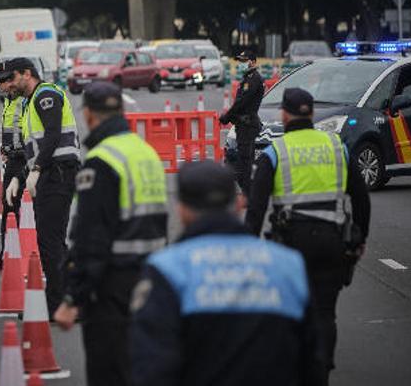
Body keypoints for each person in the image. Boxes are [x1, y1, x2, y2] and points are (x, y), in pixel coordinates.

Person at [130, 160, 326, 386]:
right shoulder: (288, 265)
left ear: (181, 209)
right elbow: (312, 365)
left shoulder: (166, 270)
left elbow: (151, 369)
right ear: (238, 204)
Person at [244, 87, 370, 380]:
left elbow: (256, 209)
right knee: (325, 312)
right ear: (311, 114)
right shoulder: (337, 146)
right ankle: (321, 368)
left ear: (284, 115)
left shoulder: (274, 152)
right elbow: (361, 197)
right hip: (332, 242)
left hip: (290, 247)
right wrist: (359, 238)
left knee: (291, 312)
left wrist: (247, 251)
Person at [53, 82, 168, 386]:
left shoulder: (102, 161)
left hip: (112, 285)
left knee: (109, 370)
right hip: (151, 280)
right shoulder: (146, 153)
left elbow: (92, 237)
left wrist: (72, 297)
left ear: (89, 114)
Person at [0, 57, 80, 315]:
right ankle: (65, 299)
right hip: (49, 173)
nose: (8, 85)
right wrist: (20, 177)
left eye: (11, 78)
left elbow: (53, 135)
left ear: (27, 73)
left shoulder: (46, 95)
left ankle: (56, 303)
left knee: (50, 242)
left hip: (57, 174)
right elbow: (36, 147)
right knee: (53, 242)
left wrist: (36, 170)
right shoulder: (29, 102)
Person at [0, 61, 27, 272]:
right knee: (10, 208)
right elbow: (11, 127)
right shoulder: (9, 100)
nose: (0, 86)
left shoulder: (27, 99)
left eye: (4, 81)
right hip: (13, 159)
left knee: (21, 208)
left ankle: (21, 255)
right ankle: (7, 254)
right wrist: (5, 146)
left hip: (26, 159)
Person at [220, 50, 265, 196]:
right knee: (244, 160)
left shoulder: (253, 79)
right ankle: (248, 191)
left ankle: (248, 193)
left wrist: (227, 116)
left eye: (244, 61)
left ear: (252, 62)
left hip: (248, 126)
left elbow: (242, 102)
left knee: (245, 161)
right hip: (243, 125)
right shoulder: (247, 78)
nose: (241, 64)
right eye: (239, 61)